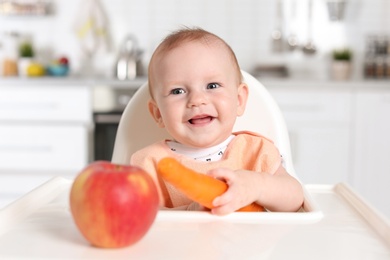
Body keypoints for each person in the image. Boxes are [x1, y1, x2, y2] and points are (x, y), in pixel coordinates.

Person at [130, 27, 304, 215]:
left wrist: (256, 187)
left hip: (251, 244)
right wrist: (189, 212)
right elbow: (138, 215)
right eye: (177, 91)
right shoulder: (150, 164)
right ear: (157, 113)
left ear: (239, 100)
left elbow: (295, 199)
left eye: (212, 86)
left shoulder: (254, 151)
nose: (197, 100)